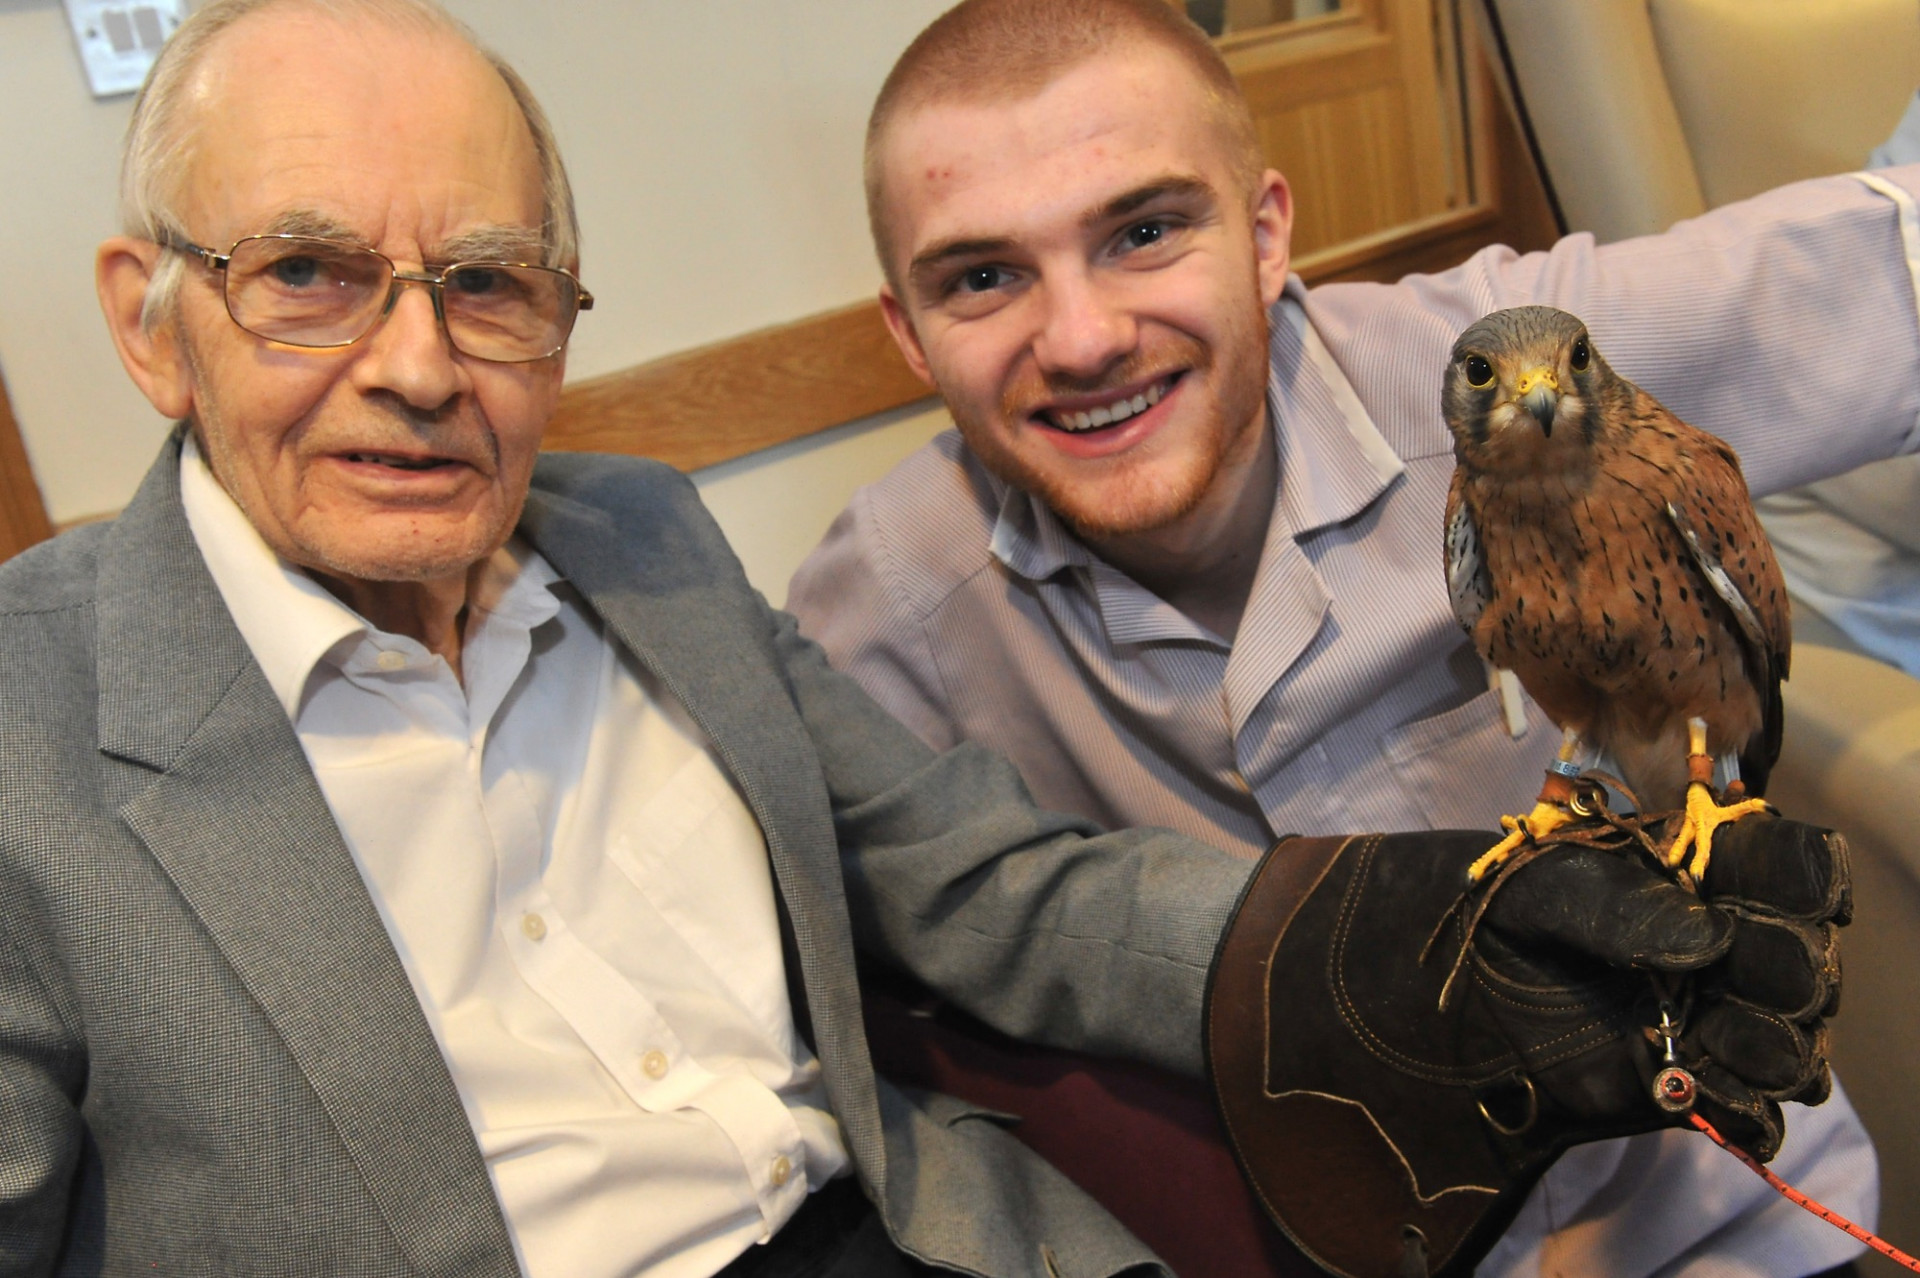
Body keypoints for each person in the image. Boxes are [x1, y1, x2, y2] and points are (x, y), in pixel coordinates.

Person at [0, 1, 1855, 1276]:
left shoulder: (642, 542)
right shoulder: (28, 728)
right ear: (150, 324)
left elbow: (978, 882)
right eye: (308, 275)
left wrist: (1397, 950)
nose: (415, 368)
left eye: (486, 281)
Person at [786, 0, 1907, 1273]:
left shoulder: (1521, 370)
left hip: (1724, 1221)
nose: (1084, 338)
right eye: (984, 277)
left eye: (1146, 231)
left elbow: (1893, 274)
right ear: (907, 334)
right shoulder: (880, 603)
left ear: (1267, 236)